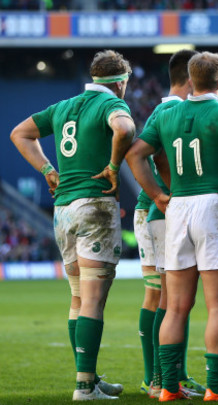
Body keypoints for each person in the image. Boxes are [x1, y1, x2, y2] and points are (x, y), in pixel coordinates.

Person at [126, 51, 218, 402]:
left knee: (175, 307)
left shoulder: (168, 114)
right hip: (214, 206)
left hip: (177, 208)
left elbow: (135, 154)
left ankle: (169, 387)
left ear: (191, 78)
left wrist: (157, 194)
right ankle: (215, 389)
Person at [11, 50, 135, 400]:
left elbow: (19, 133)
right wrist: (113, 165)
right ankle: (84, 386)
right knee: (93, 301)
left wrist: (48, 170)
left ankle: (90, 378)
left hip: (63, 209)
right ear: (121, 81)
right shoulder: (112, 104)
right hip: (94, 205)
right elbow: (124, 129)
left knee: (78, 298)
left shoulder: (63, 106)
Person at [132, 49, 208, 399]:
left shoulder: (170, 110)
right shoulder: (169, 109)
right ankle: (158, 377)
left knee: (174, 296)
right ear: (192, 78)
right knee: (162, 295)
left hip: (162, 212)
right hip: (159, 211)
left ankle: (172, 373)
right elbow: (145, 154)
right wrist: (166, 191)